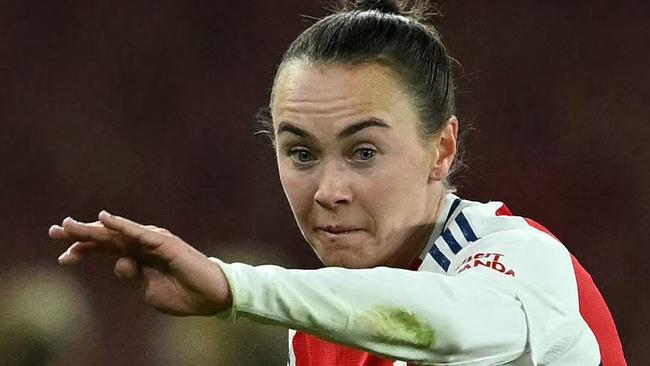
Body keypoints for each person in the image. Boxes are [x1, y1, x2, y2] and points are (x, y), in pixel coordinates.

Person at [48, 1, 626, 365]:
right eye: (300, 152)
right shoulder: (317, 339)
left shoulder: (519, 261)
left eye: (364, 151)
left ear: (441, 149)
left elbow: (451, 326)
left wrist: (235, 288)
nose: (328, 190)